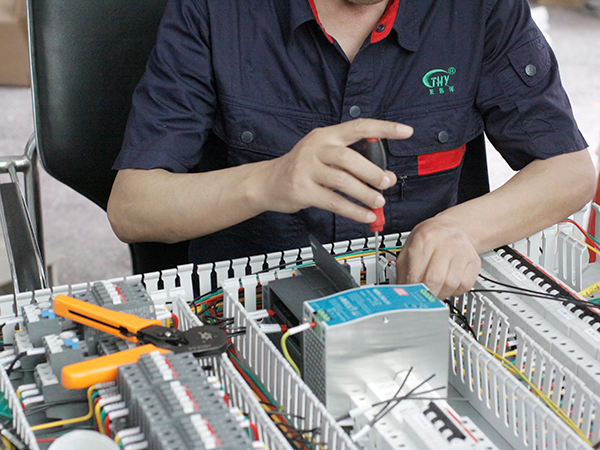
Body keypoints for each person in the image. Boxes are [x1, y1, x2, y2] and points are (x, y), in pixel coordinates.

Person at [107, 0, 596, 300]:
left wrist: (458, 228)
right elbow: (132, 207)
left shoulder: (479, 9)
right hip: (250, 309)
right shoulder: (213, 10)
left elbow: (570, 171)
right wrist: (268, 181)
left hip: (422, 300)